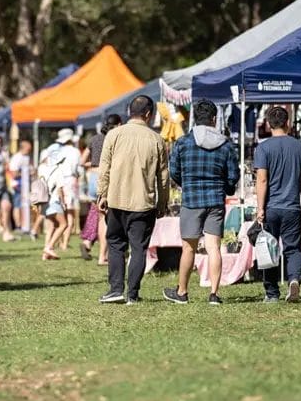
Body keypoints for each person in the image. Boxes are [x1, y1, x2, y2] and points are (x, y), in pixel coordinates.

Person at [162, 100, 240, 306]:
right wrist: (226, 188)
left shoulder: (183, 142)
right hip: (215, 200)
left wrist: (186, 184)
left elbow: (174, 171)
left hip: (191, 200)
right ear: (215, 119)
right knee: (214, 247)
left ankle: (182, 292)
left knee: (188, 248)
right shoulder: (225, 144)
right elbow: (233, 176)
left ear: (194, 118)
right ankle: (214, 294)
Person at [96, 96, 169, 304]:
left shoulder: (114, 135)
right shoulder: (157, 140)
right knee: (139, 249)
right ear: (149, 114)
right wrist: (162, 203)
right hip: (143, 203)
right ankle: (132, 294)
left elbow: (104, 169)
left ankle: (115, 289)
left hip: (116, 199)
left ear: (130, 111)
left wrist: (102, 194)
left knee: (116, 245)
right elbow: (163, 177)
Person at [254, 106, 301, 303]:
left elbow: (262, 180)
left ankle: (272, 293)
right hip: (292, 206)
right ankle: (294, 280)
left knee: (269, 248)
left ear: (268, 124)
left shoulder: (263, 148)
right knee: (293, 248)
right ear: (288, 123)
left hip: (271, 207)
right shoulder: (300, 147)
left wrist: (260, 208)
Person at [80, 114, 121, 264]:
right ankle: (103, 256)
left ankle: (92, 245)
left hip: (92, 179)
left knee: (100, 217)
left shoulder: (94, 139)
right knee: (108, 218)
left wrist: (93, 164)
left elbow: (82, 161)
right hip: (105, 178)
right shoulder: (115, 138)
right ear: (118, 124)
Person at [38, 148, 68, 261]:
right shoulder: (58, 171)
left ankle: (46, 253)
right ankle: (49, 247)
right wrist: (63, 203)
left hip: (45, 201)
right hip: (54, 200)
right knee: (63, 224)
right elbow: (60, 189)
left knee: (51, 226)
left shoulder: (42, 169)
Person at [8, 140, 32, 232]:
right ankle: (18, 226)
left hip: (26, 186)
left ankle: (25, 225)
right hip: (18, 186)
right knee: (17, 205)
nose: (29, 150)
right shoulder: (16, 158)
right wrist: (24, 173)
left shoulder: (27, 157)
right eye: (28, 148)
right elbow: (13, 173)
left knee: (26, 206)